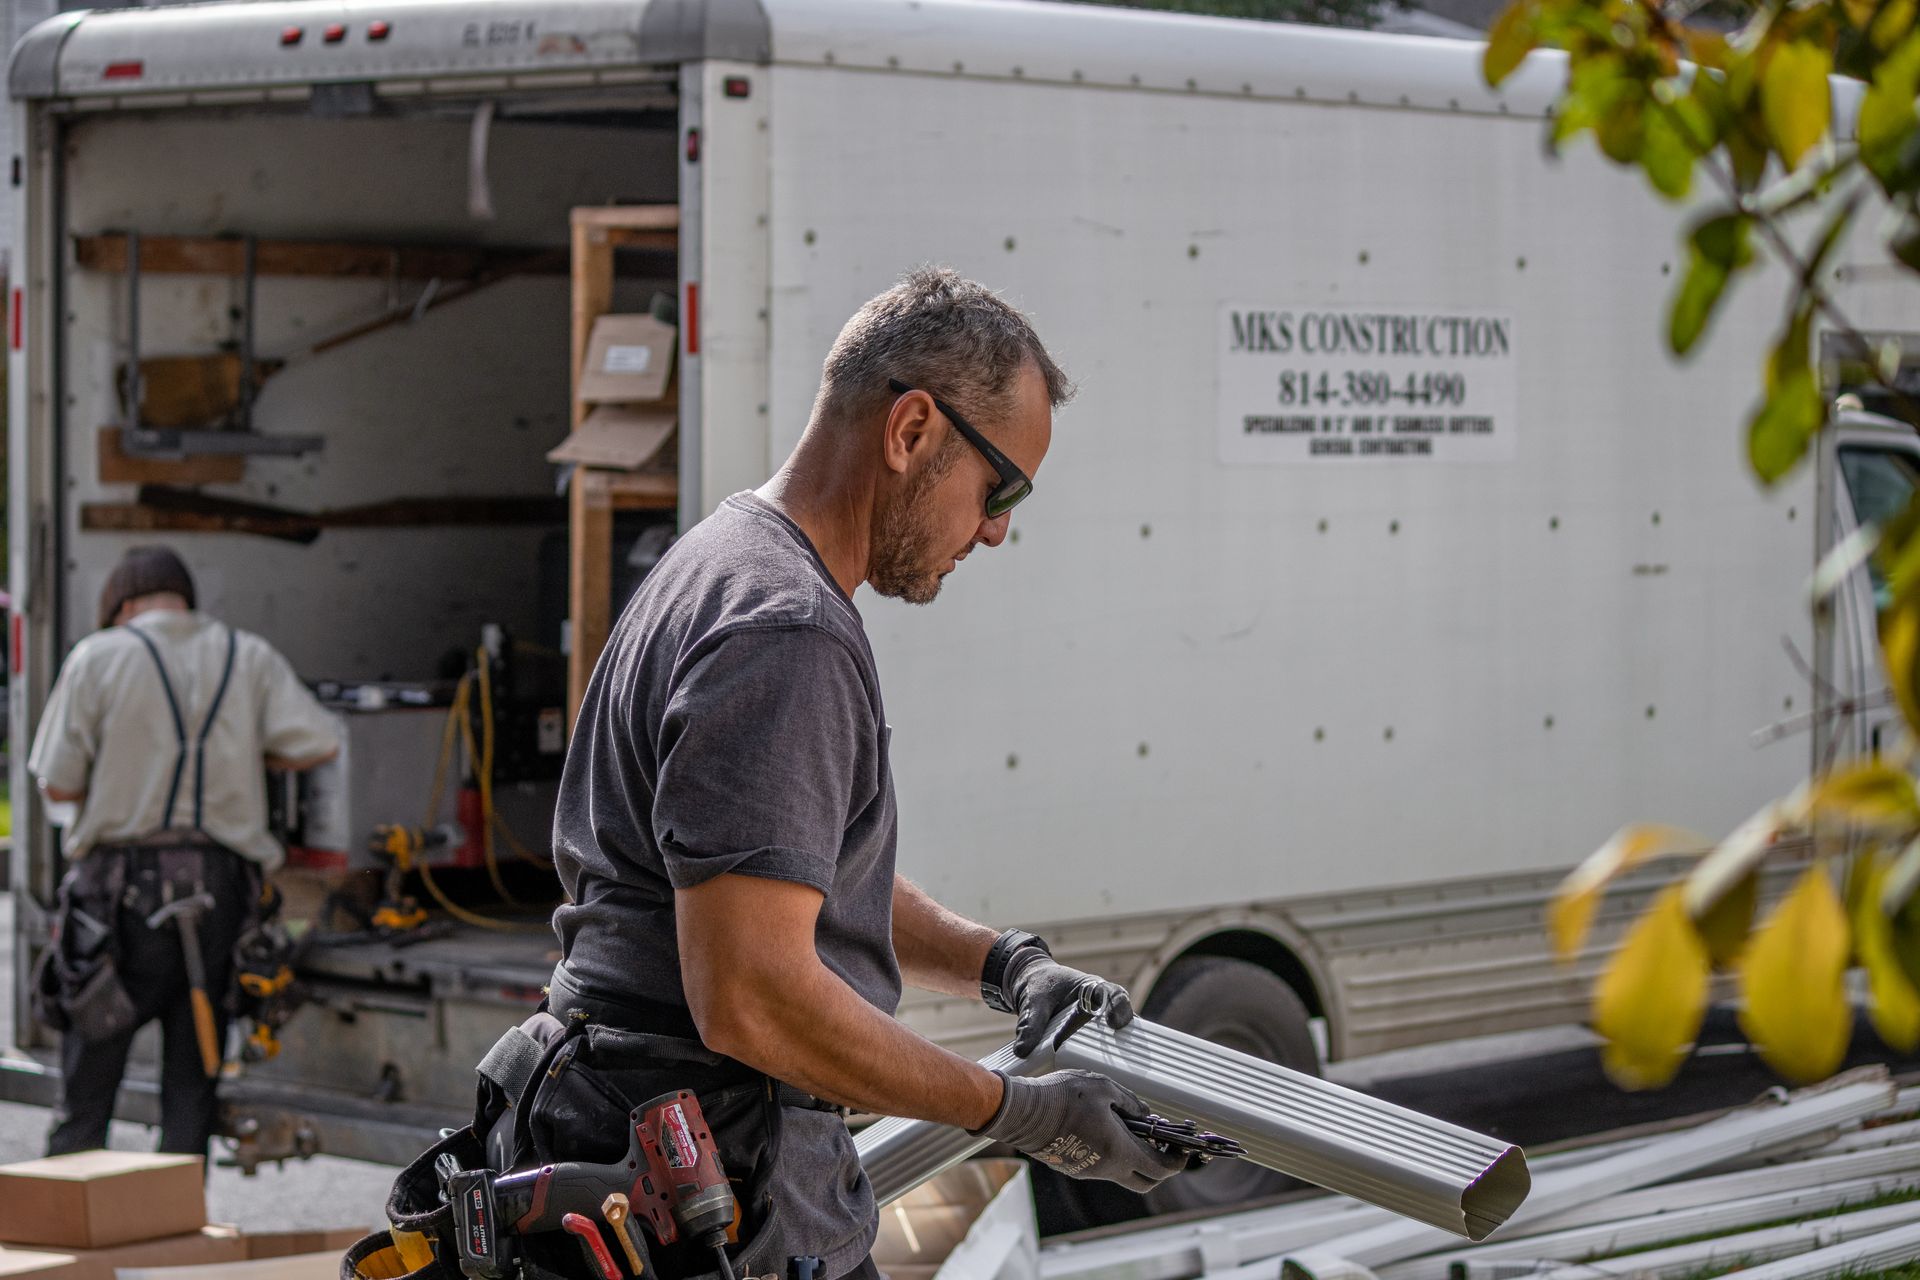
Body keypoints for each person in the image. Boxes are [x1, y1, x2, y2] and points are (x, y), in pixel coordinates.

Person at [538, 267, 1188, 1279]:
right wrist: (1022, 1110)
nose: (998, 527)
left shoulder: (716, 560)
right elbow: (755, 991)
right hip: (714, 1188)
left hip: (643, 1139)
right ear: (912, 430)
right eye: (1000, 485)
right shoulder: (785, 628)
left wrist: (1003, 963)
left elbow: (781, 877)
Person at [27, 546, 339, 1163]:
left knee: (90, 1080)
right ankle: (179, 1229)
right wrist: (253, 756)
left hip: (115, 900)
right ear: (183, 597)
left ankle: (68, 1232)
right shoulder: (244, 654)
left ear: (121, 602)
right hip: (223, 893)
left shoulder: (99, 655)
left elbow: (57, 784)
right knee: (192, 1082)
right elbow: (318, 742)